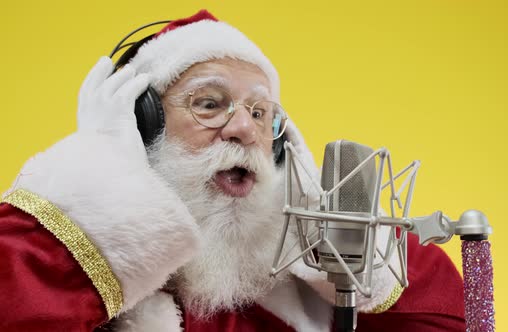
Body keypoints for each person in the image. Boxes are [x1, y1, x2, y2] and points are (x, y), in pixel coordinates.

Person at [0, 9, 465, 332]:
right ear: (142, 127)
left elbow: (452, 318)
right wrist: (94, 204)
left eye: (262, 114)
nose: (245, 129)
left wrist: (345, 246)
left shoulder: (294, 283)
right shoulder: (41, 250)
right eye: (209, 103)